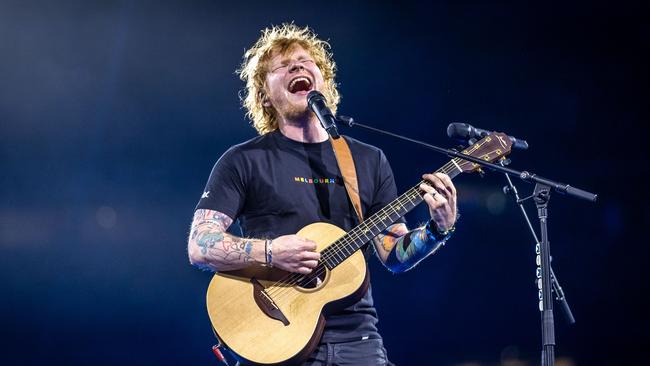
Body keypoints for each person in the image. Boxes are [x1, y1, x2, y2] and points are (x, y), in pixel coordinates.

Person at [188, 23, 458, 366]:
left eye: (306, 61)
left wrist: (438, 229)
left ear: (324, 81)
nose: (298, 67)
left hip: (358, 342)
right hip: (275, 341)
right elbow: (200, 244)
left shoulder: (366, 159)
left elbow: (394, 253)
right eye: (283, 66)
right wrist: (271, 253)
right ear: (265, 95)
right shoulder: (244, 160)